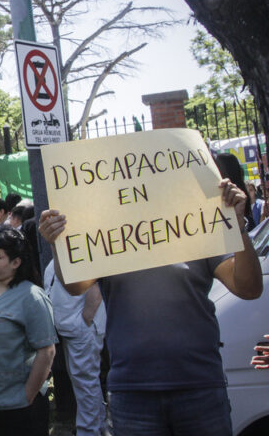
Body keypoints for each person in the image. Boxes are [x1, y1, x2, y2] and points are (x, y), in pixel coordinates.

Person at [38, 178, 262, 436]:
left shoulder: (197, 226)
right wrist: (59, 244)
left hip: (199, 385)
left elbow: (248, 288)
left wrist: (239, 226)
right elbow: (75, 286)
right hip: (132, 392)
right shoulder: (111, 239)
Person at [0, 227, 57, 436]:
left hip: (17, 408)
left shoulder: (32, 296)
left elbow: (47, 351)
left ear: (16, 262)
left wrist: (27, 396)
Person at [44, 261, 106, 436]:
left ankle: (89, 431)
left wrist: (86, 318)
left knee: (86, 382)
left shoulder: (85, 245)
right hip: (69, 326)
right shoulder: (60, 248)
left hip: (82, 326)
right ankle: (97, 427)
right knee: (83, 383)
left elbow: (99, 279)